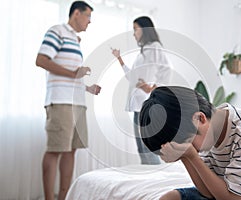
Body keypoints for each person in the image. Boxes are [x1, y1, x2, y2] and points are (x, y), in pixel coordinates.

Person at [139, 86, 241, 200]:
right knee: (170, 198)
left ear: (200, 118)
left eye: (188, 144)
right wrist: (185, 157)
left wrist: (192, 156)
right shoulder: (209, 135)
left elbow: (232, 199)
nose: (192, 149)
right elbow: (208, 192)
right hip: (232, 194)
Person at [35, 1, 101, 200]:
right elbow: (41, 60)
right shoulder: (57, 31)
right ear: (76, 14)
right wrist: (74, 73)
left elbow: (73, 75)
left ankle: (63, 197)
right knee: (56, 150)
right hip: (61, 101)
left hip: (77, 102)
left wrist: (87, 87)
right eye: (88, 16)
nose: (90, 21)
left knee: (71, 151)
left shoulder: (75, 40)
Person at [111, 16, 172, 165]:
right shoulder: (143, 52)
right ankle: (148, 179)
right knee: (141, 147)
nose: (134, 33)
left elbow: (168, 69)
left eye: (135, 29)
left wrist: (155, 88)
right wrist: (119, 59)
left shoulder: (154, 46)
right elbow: (132, 77)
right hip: (138, 105)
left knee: (147, 148)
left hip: (147, 104)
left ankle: (155, 179)